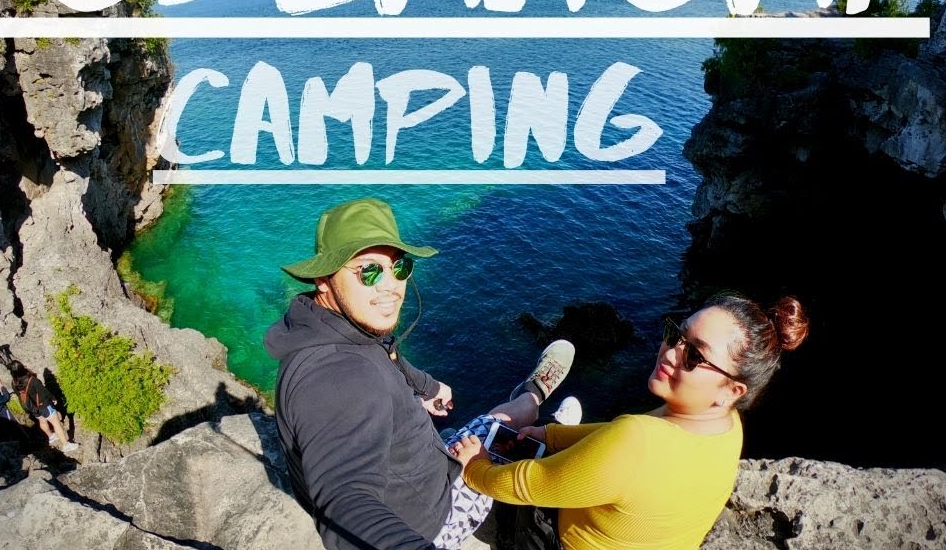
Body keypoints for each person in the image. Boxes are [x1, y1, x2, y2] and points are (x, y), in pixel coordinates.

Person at [264, 197, 576, 550]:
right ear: (324, 279)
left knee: (501, 422)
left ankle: (532, 395)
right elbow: (346, 502)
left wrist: (426, 387)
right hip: (438, 513)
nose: (390, 285)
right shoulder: (338, 378)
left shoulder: (330, 326)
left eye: (399, 267)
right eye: (368, 271)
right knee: (513, 437)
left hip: (422, 468)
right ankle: (546, 412)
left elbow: (383, 351)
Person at [451, 293, 809, 550]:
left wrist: (476, 468)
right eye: (676, 334)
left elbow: (529, 484)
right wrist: (552, 435)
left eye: (694, 355)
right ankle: (539, 408)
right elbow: (617, 438)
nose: (670, 351)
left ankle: (528, 397)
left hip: (557, 539)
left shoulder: (639, 440)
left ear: (731, 390)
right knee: (552, 443)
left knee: (485, 444)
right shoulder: (728, 426)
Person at [12, 370, 79, 453]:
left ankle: (51, 436)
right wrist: (52, 398)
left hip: (33, 408)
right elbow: (43, 391)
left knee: (42, 421)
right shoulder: (32, 380)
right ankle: (66, 445)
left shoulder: (14, 383)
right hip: (43, 406)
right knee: (56, 424)